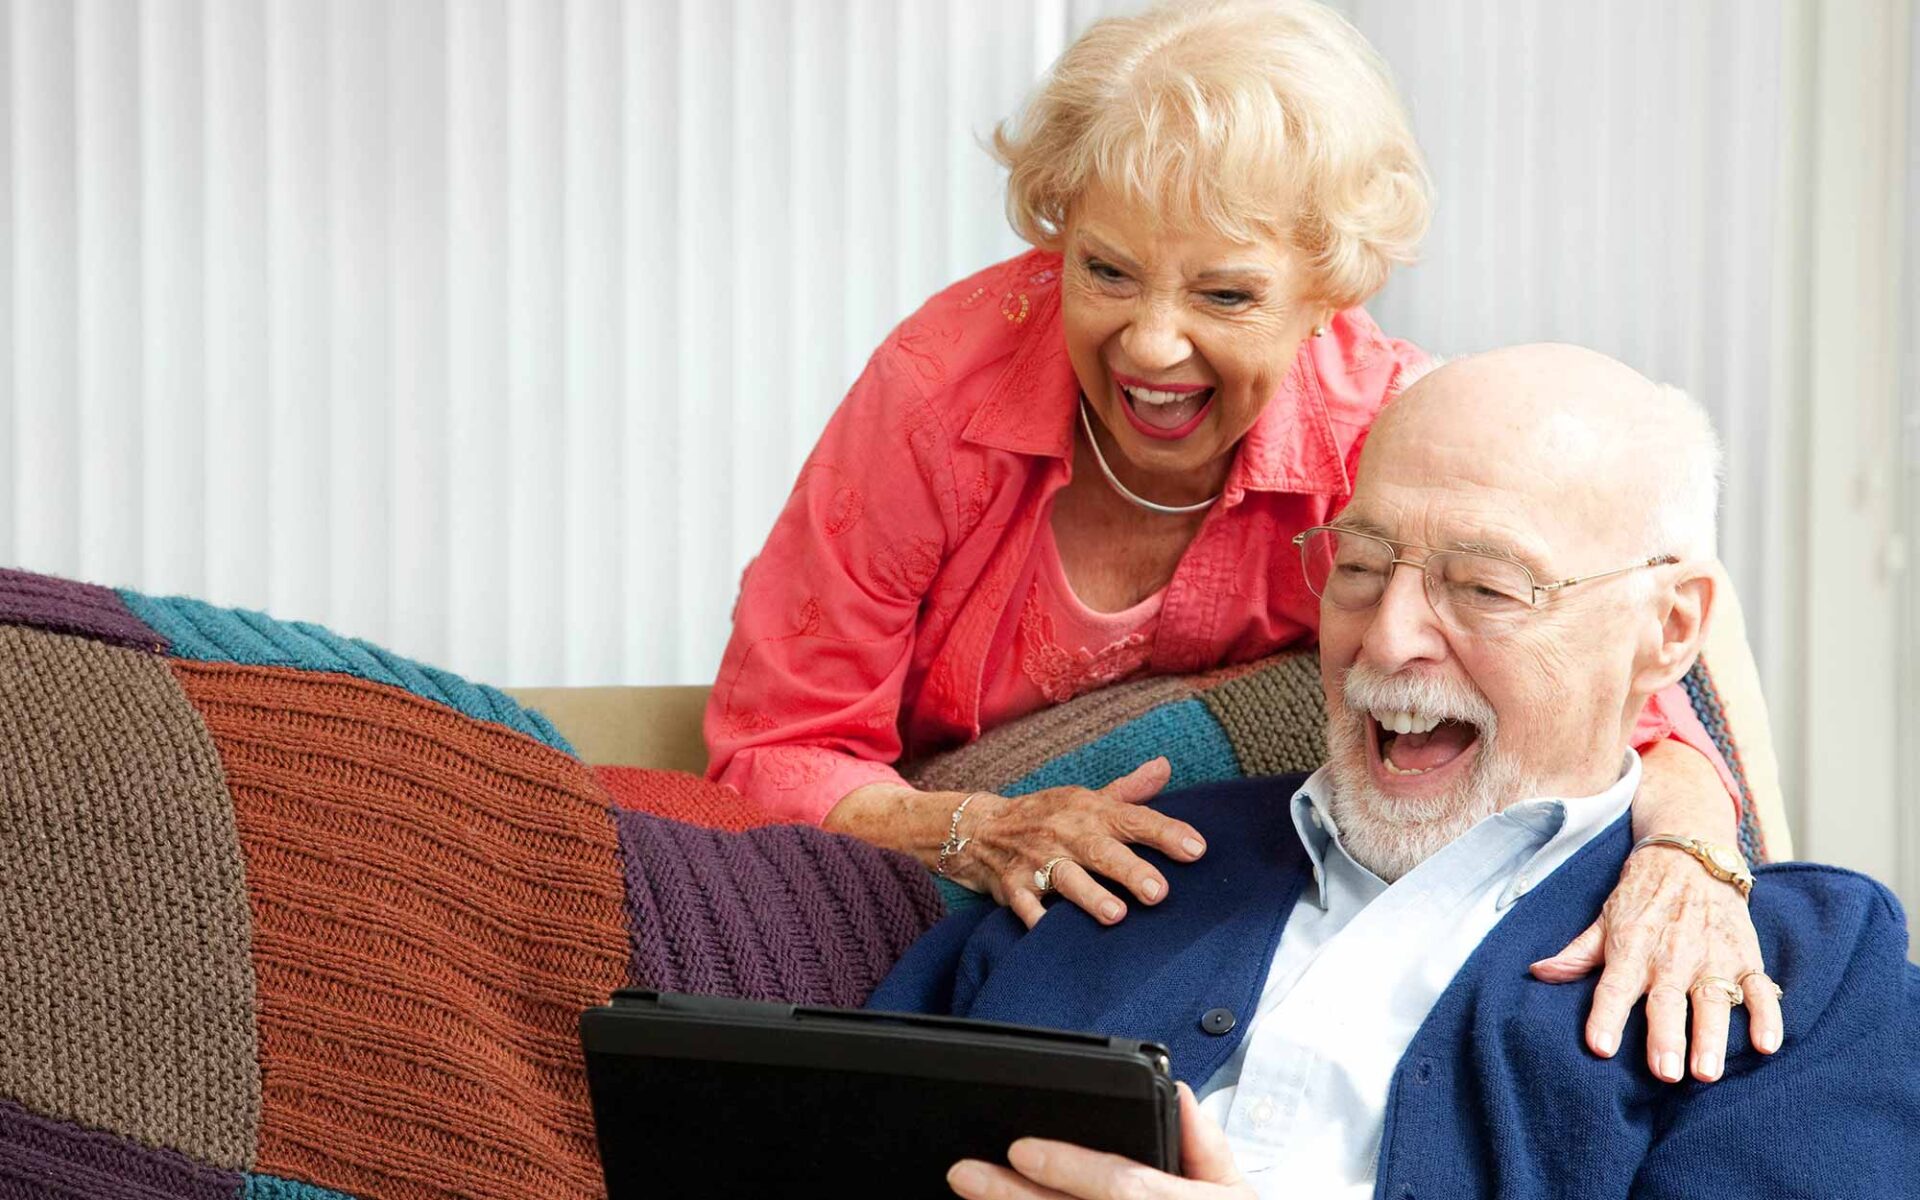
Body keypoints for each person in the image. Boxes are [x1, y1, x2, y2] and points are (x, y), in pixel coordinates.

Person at [706, 0, 1770, 1070]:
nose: (1152, 343)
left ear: (1328, 295)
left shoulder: (1389, 431)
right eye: (1107, 271)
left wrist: (1692, 856)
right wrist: (983, 828)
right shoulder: (941, 395)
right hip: (965, 903)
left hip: (1222, 916)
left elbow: (1635, 706)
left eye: (1224, 292)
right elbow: (776, 747)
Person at [870, 345, 1920, 1199]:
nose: (1387, 639)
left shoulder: (1808, 971)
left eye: (1488, 587)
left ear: (1669, 627)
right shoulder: (1128, 858)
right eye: (1361, 569)